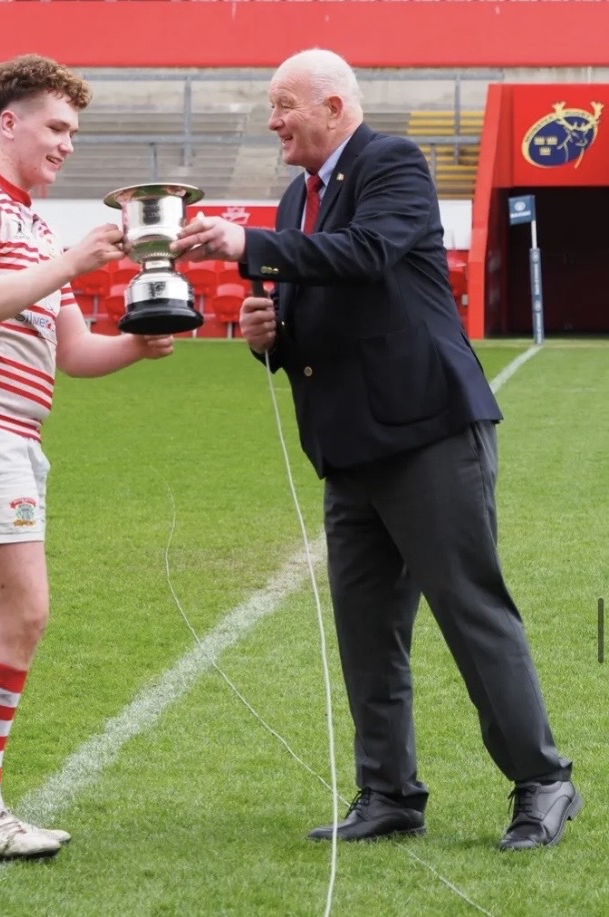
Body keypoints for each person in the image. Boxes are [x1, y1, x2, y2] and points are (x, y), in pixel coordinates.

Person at [171, 48, 580, 851]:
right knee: (366, 632)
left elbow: (364, 256)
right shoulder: (296, 196)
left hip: (427, 430)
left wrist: (245, 245)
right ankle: (389, 792)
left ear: (333, 105)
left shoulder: (393, 162)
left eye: (284, 104)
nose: (272, 120)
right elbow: (316, 313)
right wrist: (270, 338)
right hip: (350, 449)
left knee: (471, 612)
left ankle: (543, 779)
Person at [0, 54, 174, 860]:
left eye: (75, 133)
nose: (67, 145)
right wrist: (70, 264)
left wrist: (137, 343)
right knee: (23, 614)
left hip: (5, 434)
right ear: (9, 121)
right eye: (57, 128)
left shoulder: (32, 221)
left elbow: (71, 352)